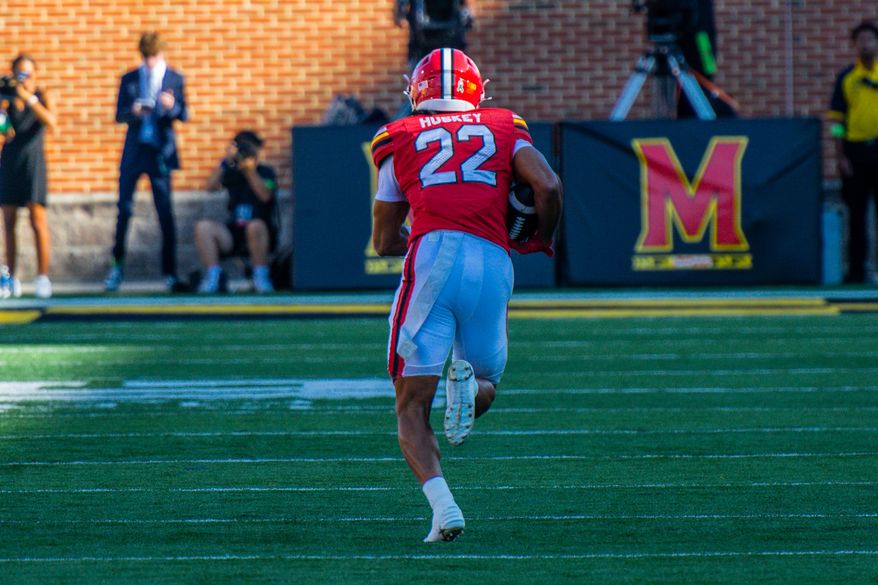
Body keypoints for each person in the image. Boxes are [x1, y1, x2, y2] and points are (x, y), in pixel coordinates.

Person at [370, 48, 562, 542]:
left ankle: (444, 506)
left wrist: (415, 231)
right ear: (477, 91)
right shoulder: (504, 125)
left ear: (418, 91)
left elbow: (385, 240)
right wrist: (540, 237)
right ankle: (469, 389)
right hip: (494, 260)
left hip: (433, 256)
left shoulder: (399, 135)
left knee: (411, 404)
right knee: (486, 381)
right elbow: (548, 185)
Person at [105, 32, 188, 292]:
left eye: (154, 56)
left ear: (162, 54)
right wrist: (135, 112)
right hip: (135, 150)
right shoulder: (130, 78)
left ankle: (170, 273)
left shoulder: (174, 78)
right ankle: (116, 267)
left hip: (160, 151)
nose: (150, 61)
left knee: (165, 212)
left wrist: (171, 106)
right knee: (125, 209)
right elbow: (119, 114)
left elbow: (183, 113)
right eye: (146, 56)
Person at [0, 54, 57, 299]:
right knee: (9, 222)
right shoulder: (7, 100)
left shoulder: (42, 95)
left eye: (27, 74)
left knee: (37, 220)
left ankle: (42, 276)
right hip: (11, 161)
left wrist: (28, 97)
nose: (23, 79)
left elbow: (51, 122)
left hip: (33, 162)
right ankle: (11, 277)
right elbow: (7, 132)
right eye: (19, 74)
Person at [194, 130, 278, 294]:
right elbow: (210, 187)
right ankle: (213, 277)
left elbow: (265, 196)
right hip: (235, 230)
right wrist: (225, 162)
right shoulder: (232, 172)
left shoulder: (266, 172)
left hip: (260, 230)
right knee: (203, 227)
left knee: (255, 226)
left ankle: (260, 276)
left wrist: (250, 171)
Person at [829, 20, 878, 284]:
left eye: (871, 39)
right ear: (854, 45)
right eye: (861, 40)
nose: (866, 44)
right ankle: (857, 271)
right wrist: (840, 156)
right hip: (856, 152)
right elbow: (837, 122)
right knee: (856, 216)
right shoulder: (847, 78)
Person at [393, 0, 473, 117]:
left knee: (455, 90)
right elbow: (399, 18)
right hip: (423, 47)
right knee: (419, 92)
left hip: (449, 43)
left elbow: (468, 13)